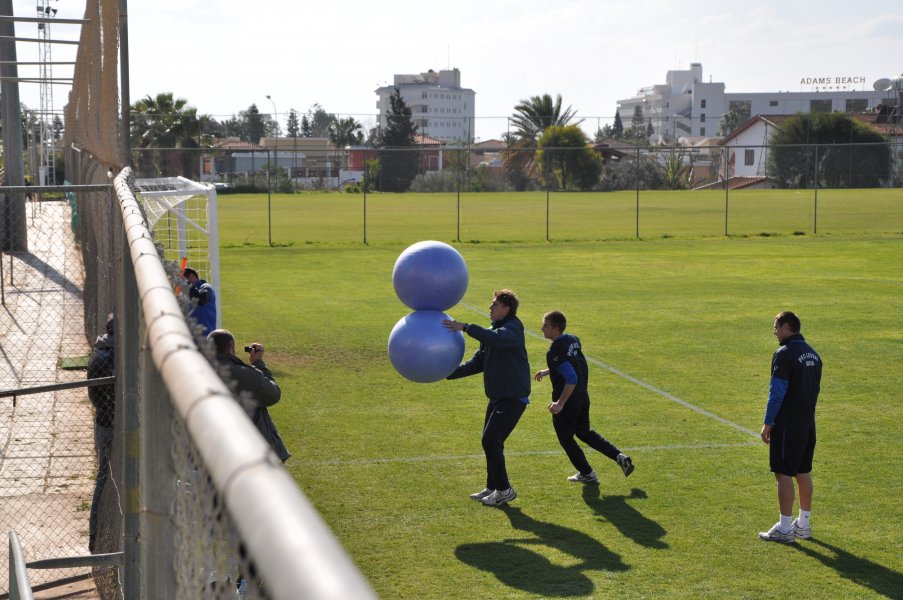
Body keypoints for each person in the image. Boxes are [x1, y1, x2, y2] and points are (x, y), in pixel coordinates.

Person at [443, 289, 531, 507]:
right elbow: (478, 363)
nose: (490, 307)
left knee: (490, 440)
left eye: (494, 304)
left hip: (513, 398)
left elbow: (497, 339)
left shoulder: (512, 329)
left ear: (506, 309)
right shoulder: (494, 330)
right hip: (497, 397)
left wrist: (465, 327)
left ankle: (504, 490)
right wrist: (445, 372)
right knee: (491, 442)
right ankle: (492, 488)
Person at [534, 311, 634, 485]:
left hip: (568, 401)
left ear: (556, 329)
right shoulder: (572, 339)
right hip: (582, 397)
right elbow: (571, 362)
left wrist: (559, 403)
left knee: (566, 438)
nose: (542, 328)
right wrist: (548, 370)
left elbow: (571, 378)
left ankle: (587, 473)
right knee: (584, 432)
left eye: (546, 325)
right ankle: (619, 457)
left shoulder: (554, 351)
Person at [758, 311, 822, 544]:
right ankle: (803, 525)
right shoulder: (813, 354)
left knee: (783, 473)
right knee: (802, 472)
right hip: (807, 423)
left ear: (786, 326)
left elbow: (777, 393)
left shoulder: (784, 354)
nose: (774, 331)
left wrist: (768, 422)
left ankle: (785, 528)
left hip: (787, 425)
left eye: (776, 326)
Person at [207, 329, 290, 463]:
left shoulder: (197, 371)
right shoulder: (244, 374)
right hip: (247, 447)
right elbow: (273, 394)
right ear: (231, 348)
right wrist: (258, 363)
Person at [87, 314, 115, 553]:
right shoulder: (112, 355)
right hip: (111, 425)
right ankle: (95, 535)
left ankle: (95, 534)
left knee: (104, 476)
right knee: (104, 477)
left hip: (103, 422)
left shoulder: (99, 349)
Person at [183, 267, 217, 336]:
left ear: (192, 276)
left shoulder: (206, 287)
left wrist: (187, 285)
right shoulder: (185, 293)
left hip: (206, 338)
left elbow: (202, 298)